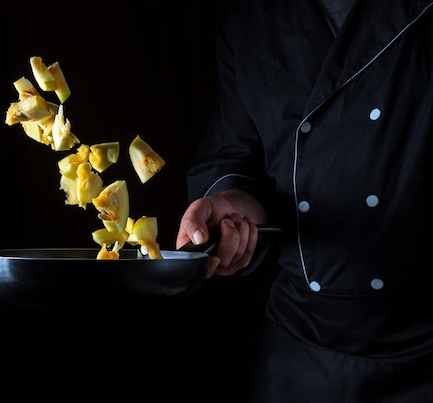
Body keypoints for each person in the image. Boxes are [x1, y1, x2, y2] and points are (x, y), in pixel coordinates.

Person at [175, 0, 433, 401]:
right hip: (301, 346)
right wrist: (231, 210)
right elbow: (235, 156)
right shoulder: (249, 20)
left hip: (422, 343)